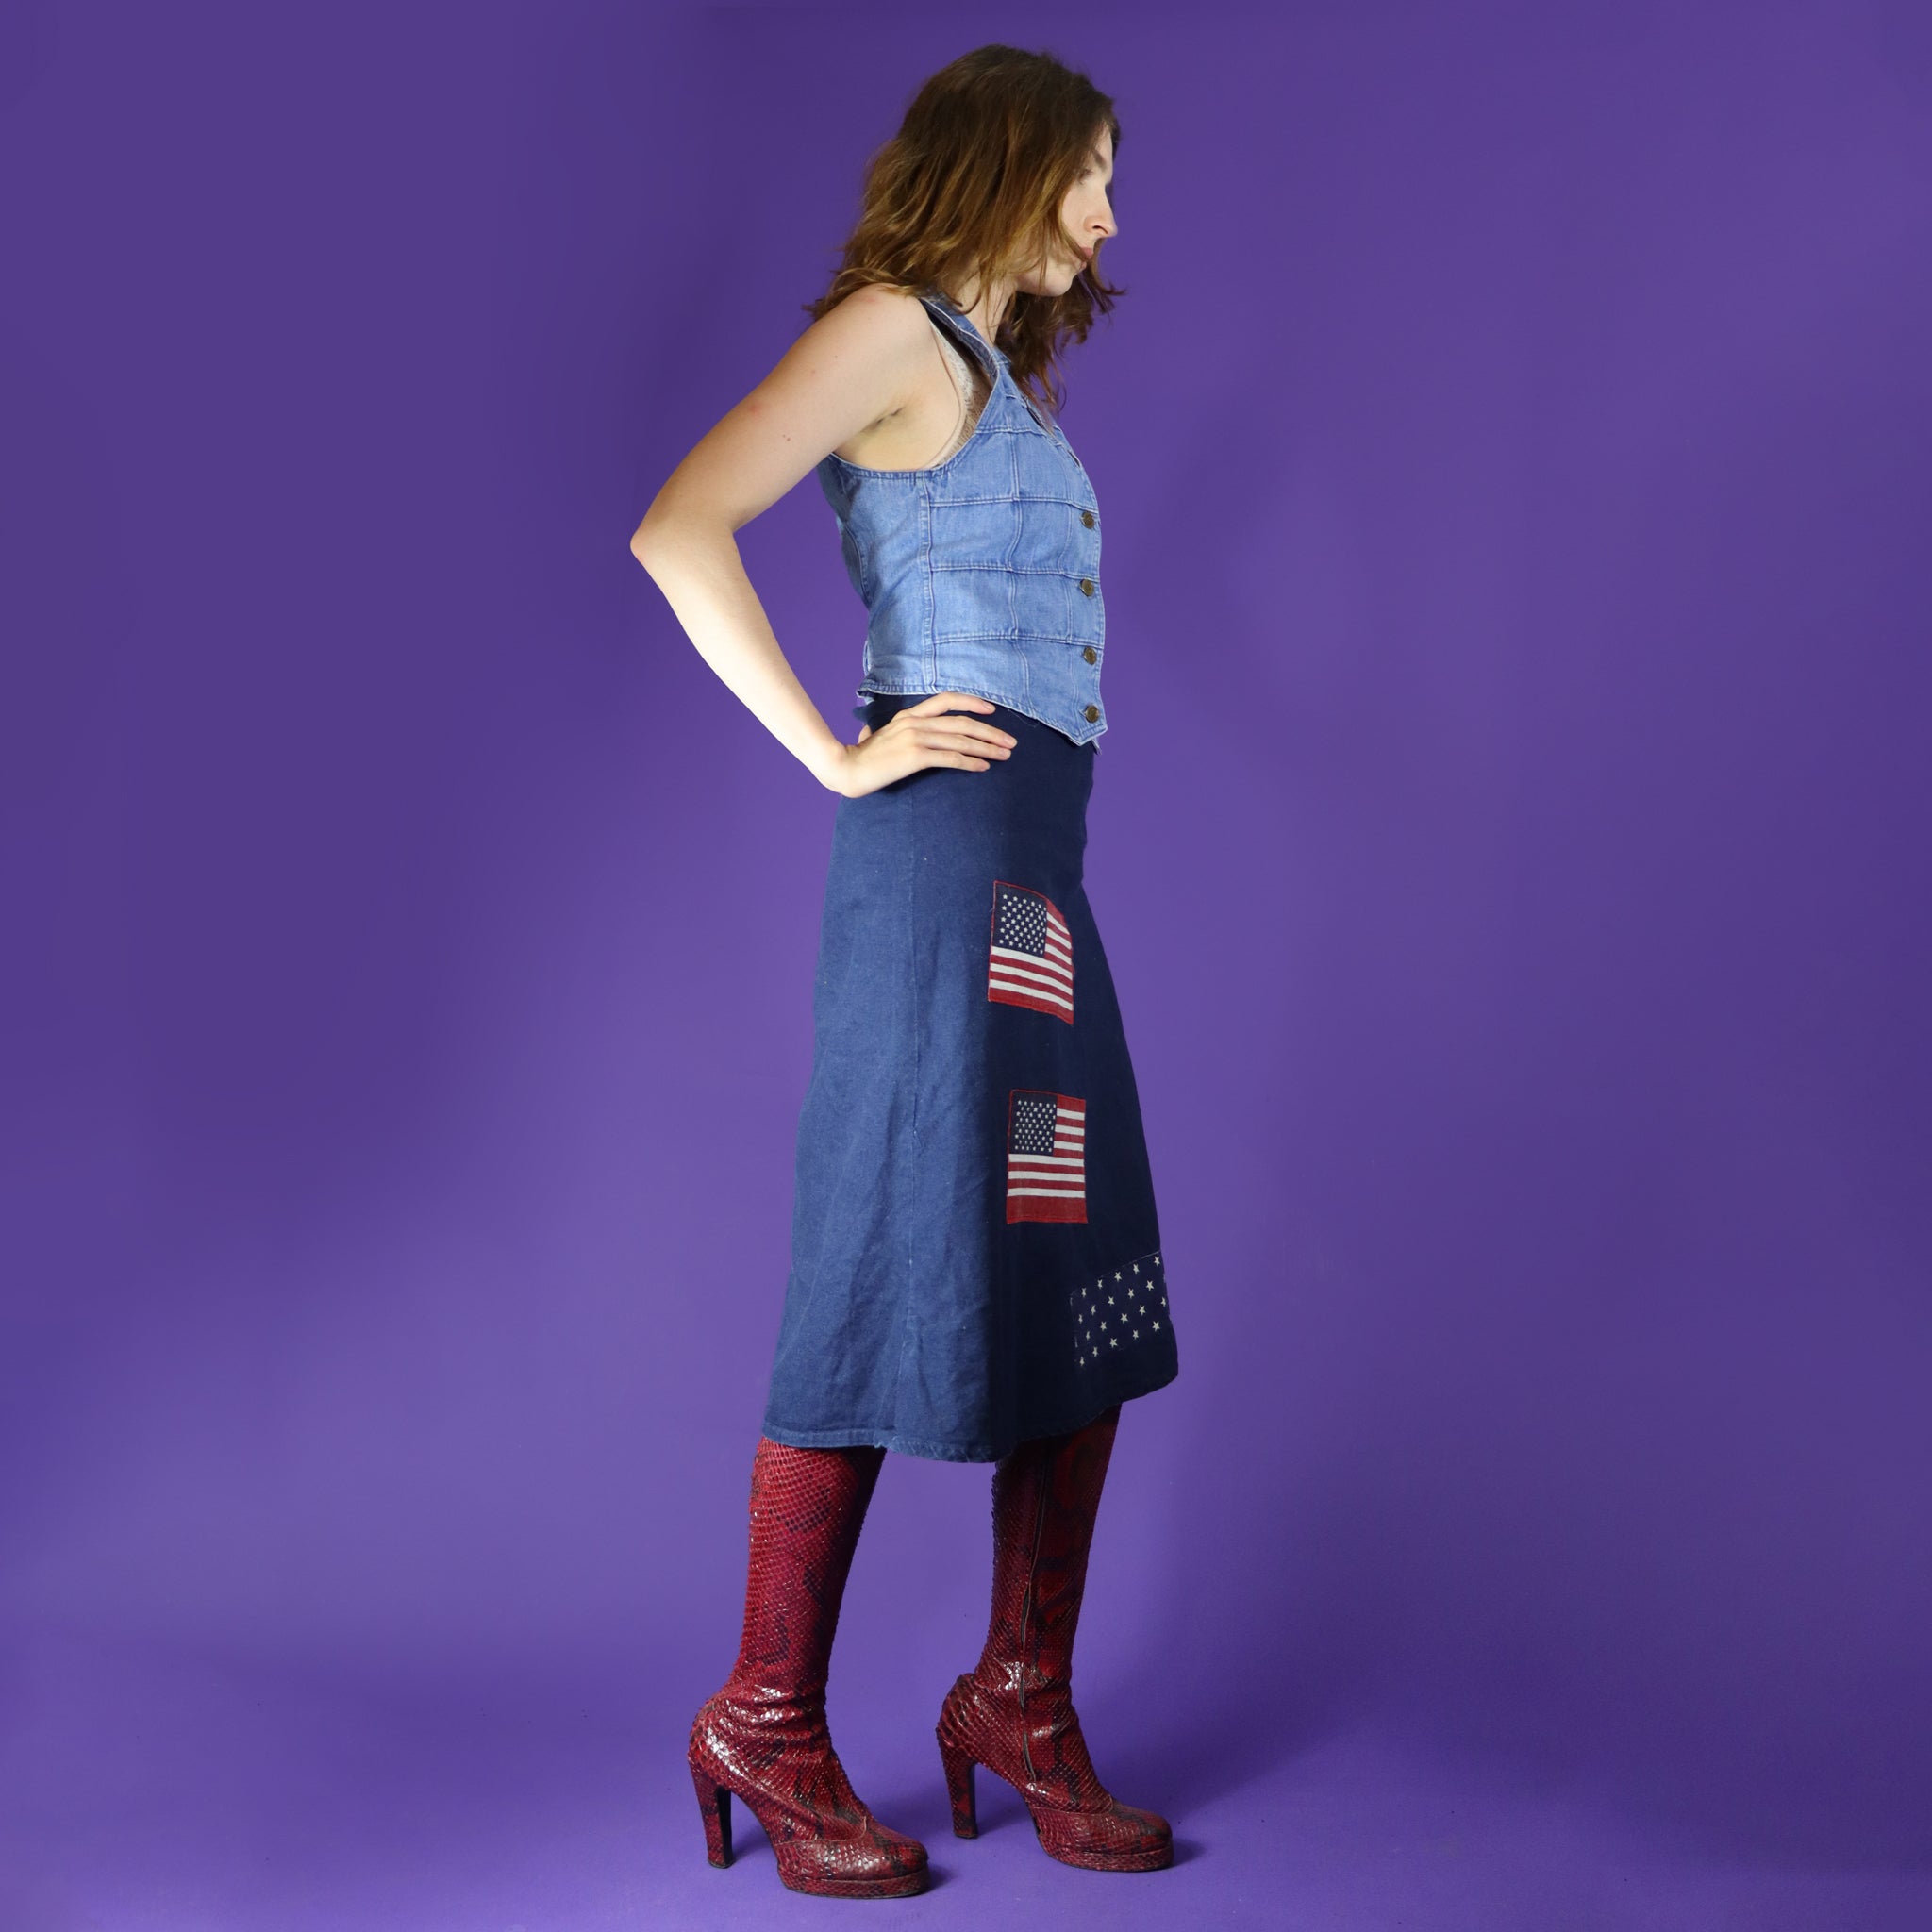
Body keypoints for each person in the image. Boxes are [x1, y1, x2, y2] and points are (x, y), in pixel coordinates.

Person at [629, 43, 1179, 1900]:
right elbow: (681, 522)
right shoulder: (893, 331)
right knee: (884, 1255)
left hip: (1035, 876)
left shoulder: (998, 381)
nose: (1107, 217)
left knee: (1075, 1260)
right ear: (1009, 160)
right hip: (940, 875)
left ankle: (1019, 1697)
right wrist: (834, 750)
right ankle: (765, 1716)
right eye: (1090, 173)